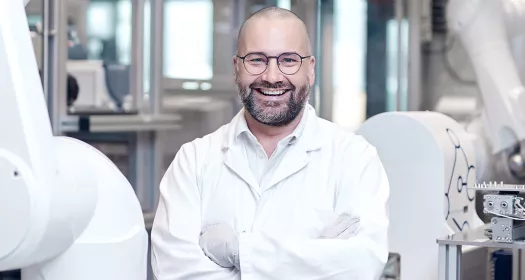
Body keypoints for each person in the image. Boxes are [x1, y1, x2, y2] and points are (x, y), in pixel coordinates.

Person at [150, 6, 390, 280]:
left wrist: (240, 252)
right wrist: (316, 257)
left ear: (310, 69)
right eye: (256, 60)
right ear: (236, 68)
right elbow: (175, 271)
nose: (272, 76)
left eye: (288, 60)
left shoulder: (354, 158)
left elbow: (360, 266)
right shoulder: (193, 161)